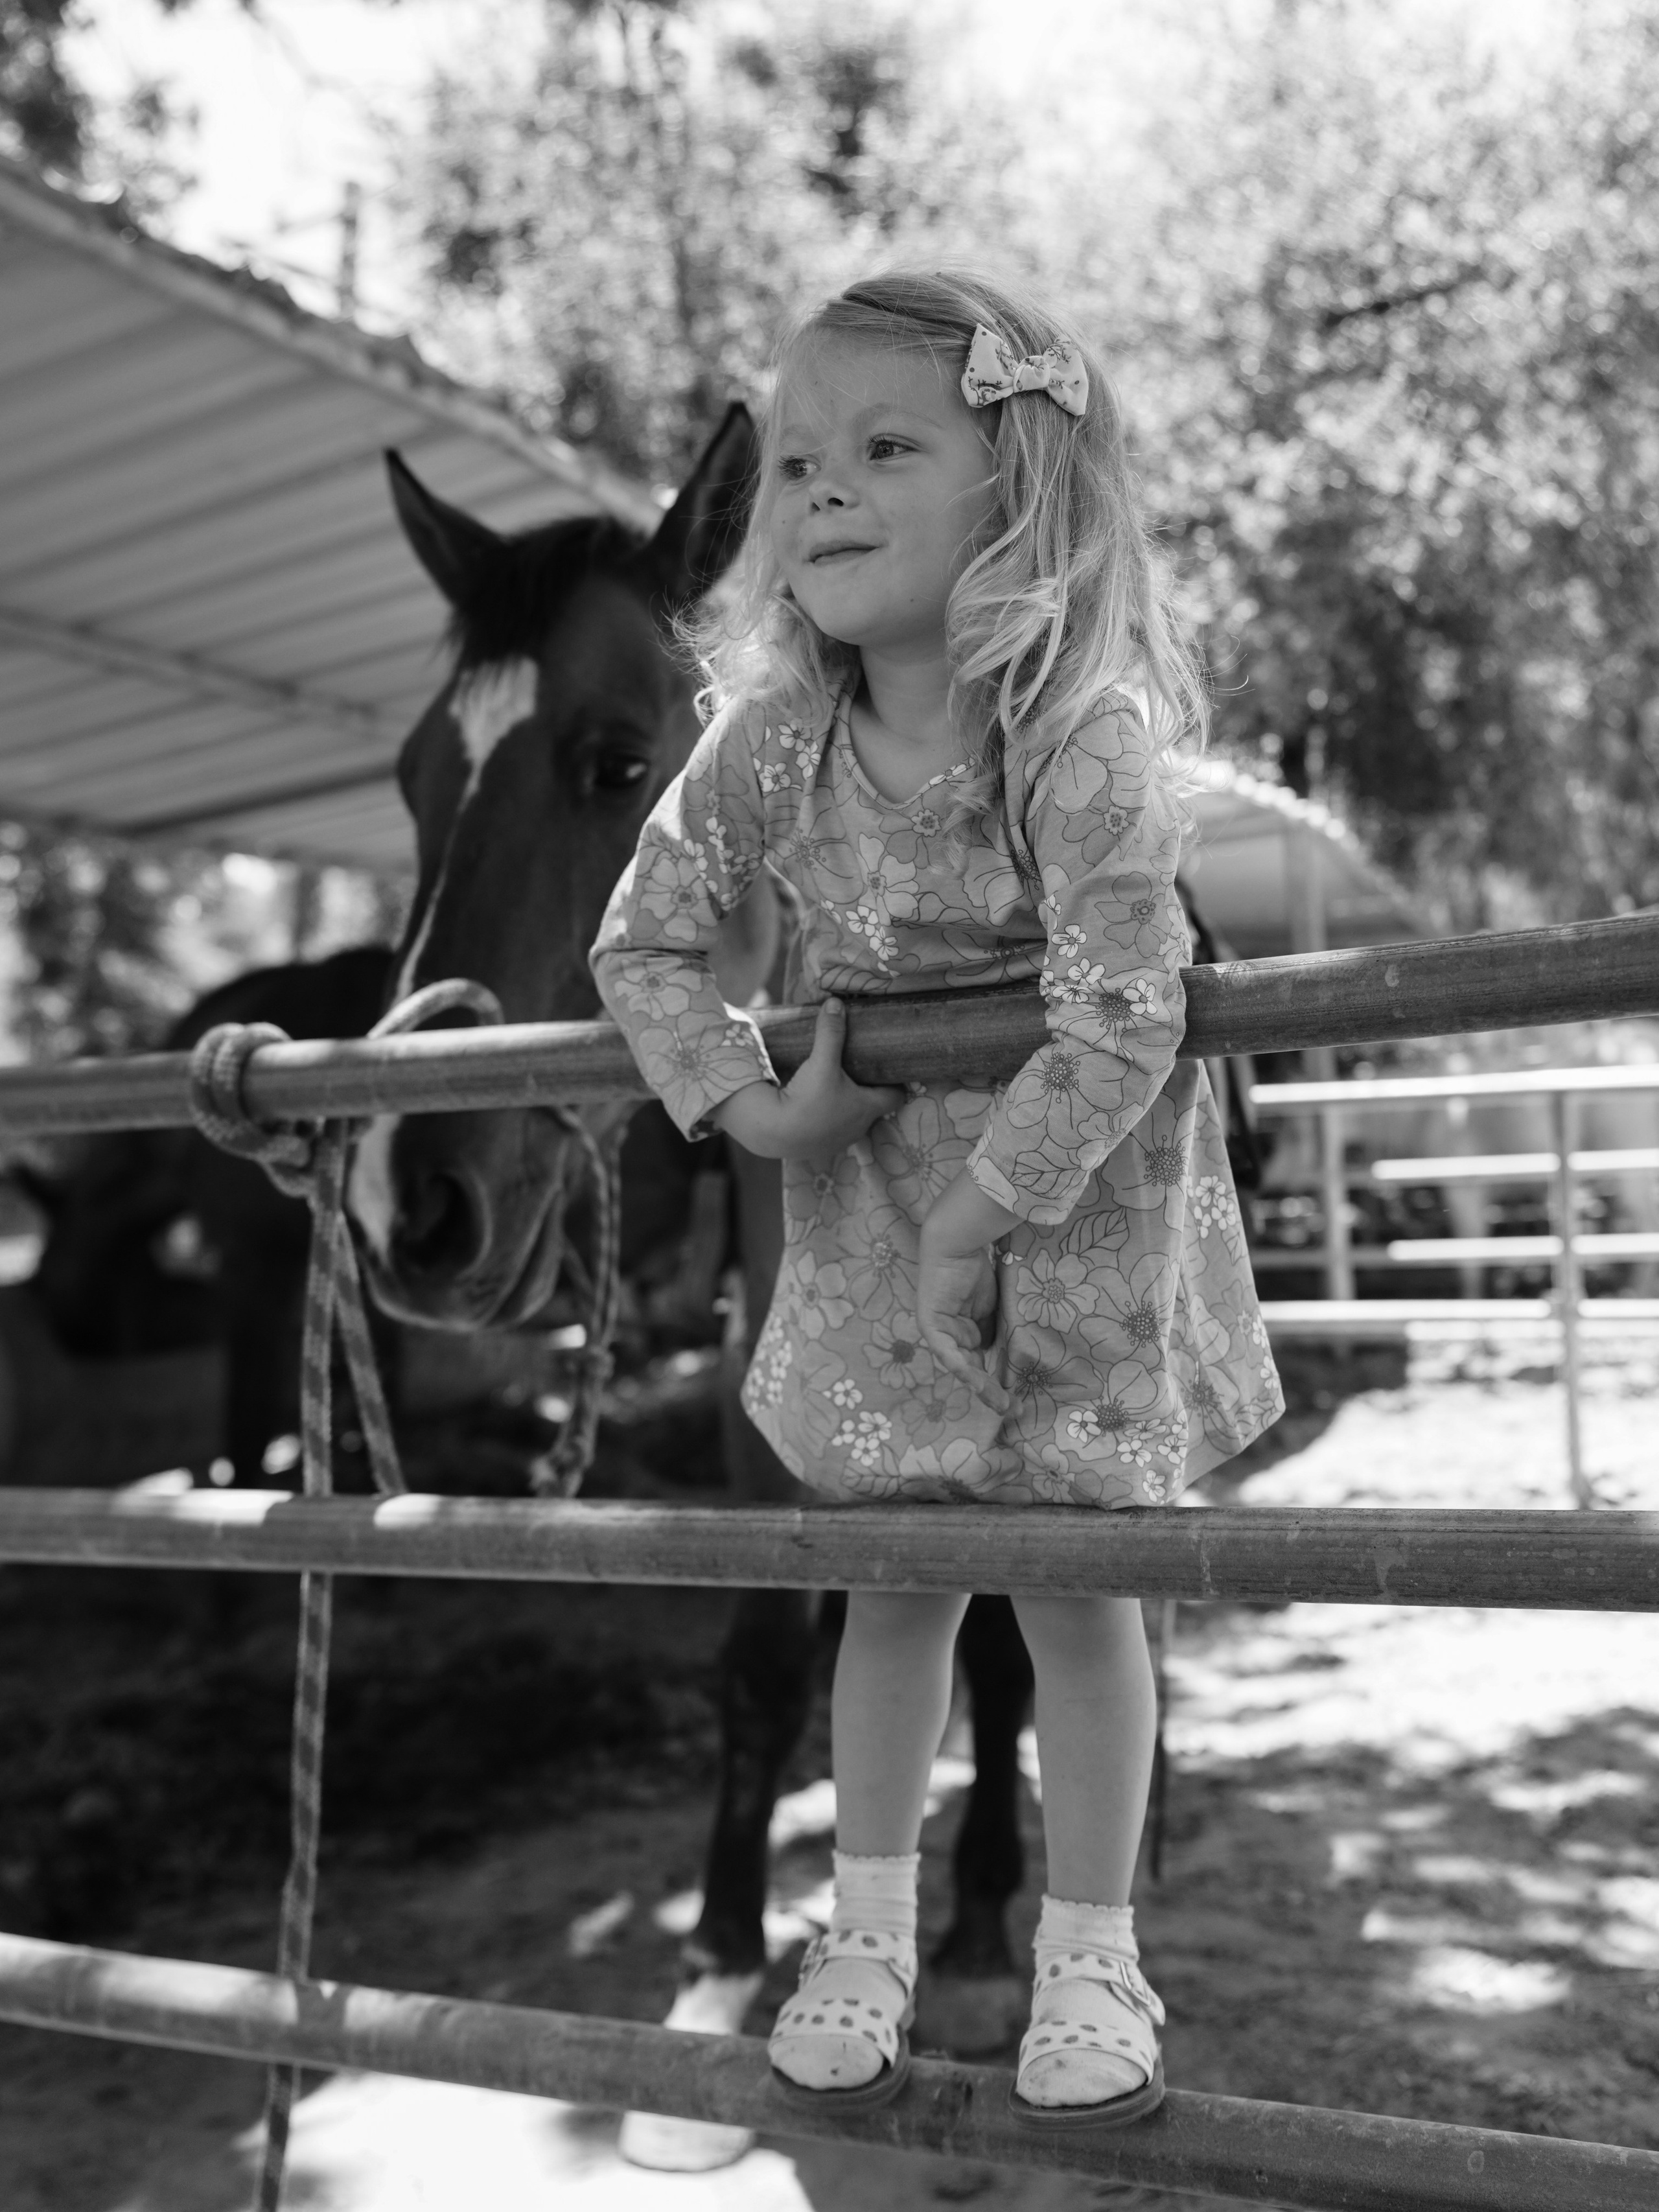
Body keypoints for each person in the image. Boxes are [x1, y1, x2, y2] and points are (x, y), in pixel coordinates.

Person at [591, 269, 1283, 2126]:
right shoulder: (767, 749)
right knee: (887, 1592)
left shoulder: (1076, 730)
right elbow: (645, 940)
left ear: (1022, 492)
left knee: (1077, 1598)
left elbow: (1130, 1004)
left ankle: (1089, 1953)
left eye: (885, 447)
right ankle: (867, 1930)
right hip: (873, 1209)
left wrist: (984, 1213)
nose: (818, 489)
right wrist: (749, 1109)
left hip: (1075, 1204)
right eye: (800, 458)